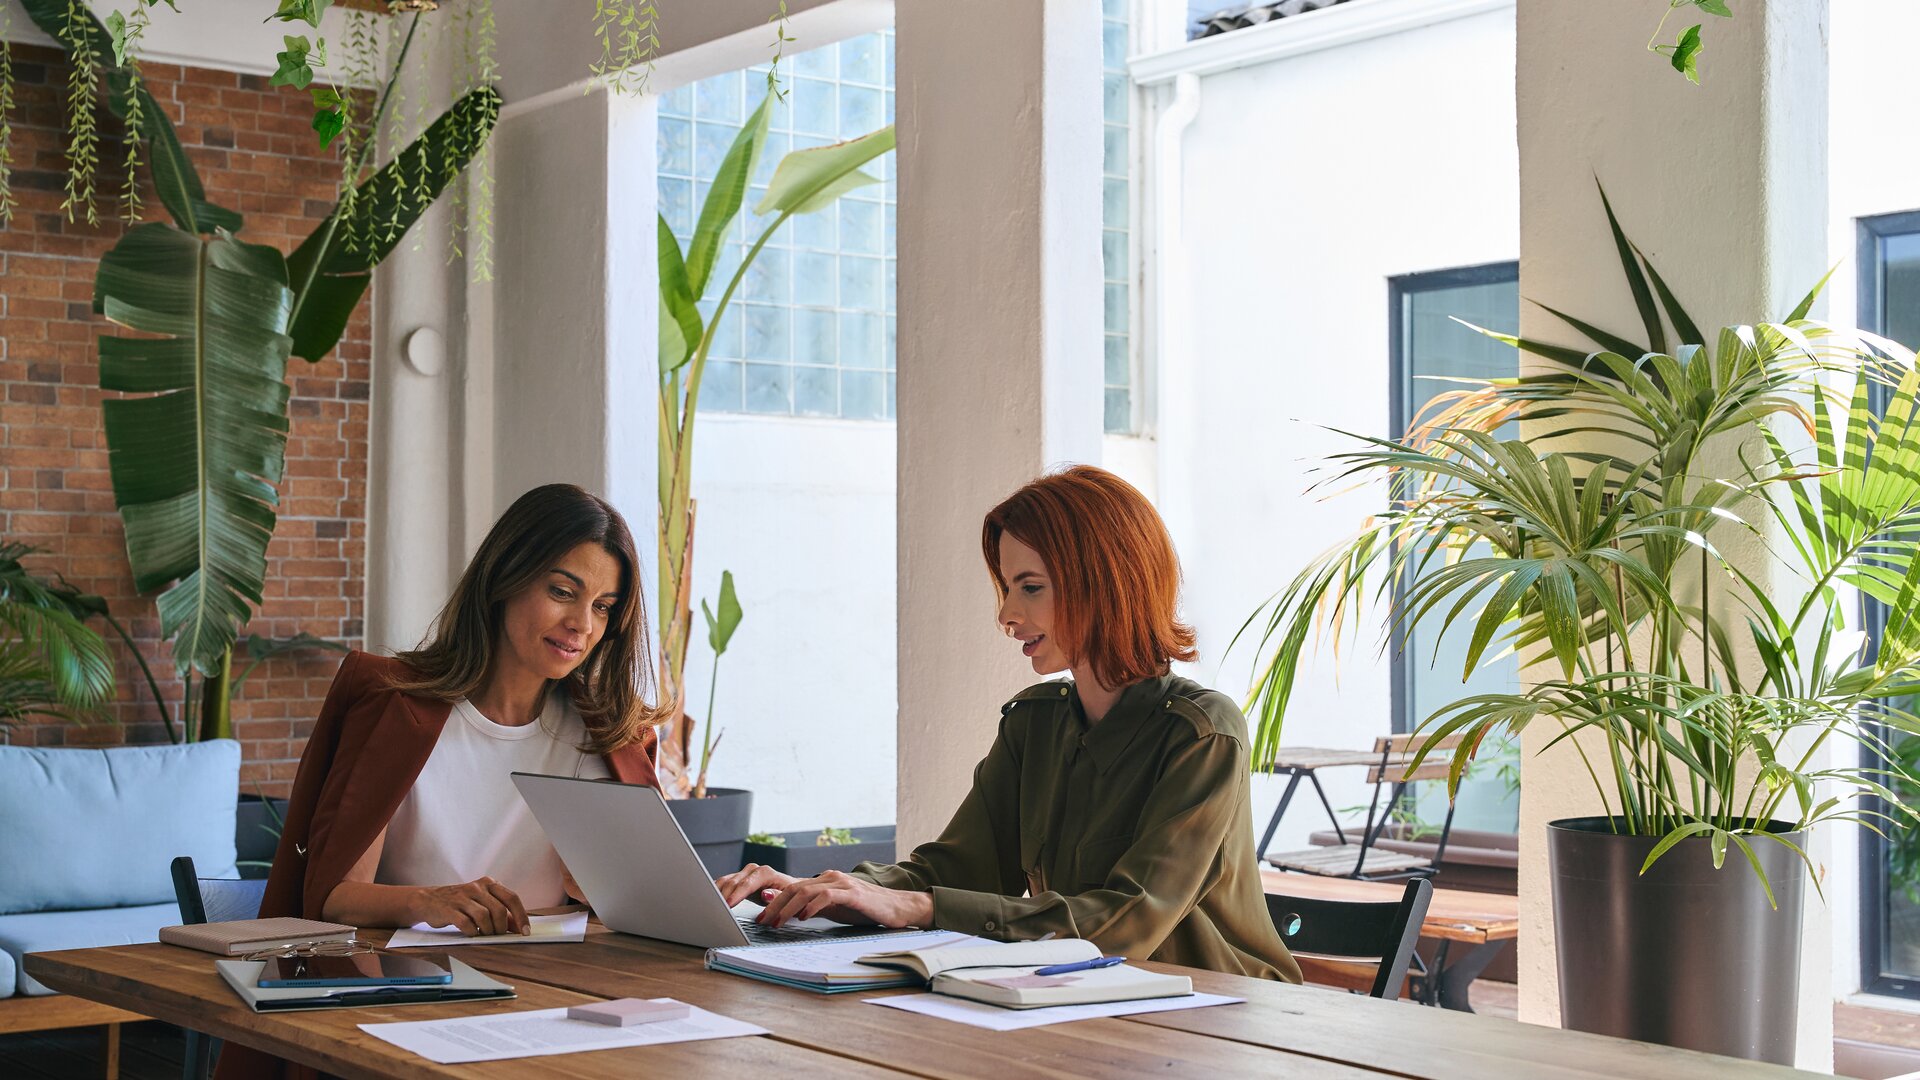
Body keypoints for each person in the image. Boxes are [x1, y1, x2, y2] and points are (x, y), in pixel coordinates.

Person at [717, 466, 1300, 982]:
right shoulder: (1035, 723)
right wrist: (828, 889)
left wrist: (920, 908)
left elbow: (1128, 918)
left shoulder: (1201, 734)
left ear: (1103, 582)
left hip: (1218, 1014)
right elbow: (955, 868)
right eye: (1007, 587)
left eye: (1030, 588)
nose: (1006, 614)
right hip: (1081, 1000)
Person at [219, 485, 666, 1079]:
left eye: (605, 607)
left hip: (564, 1003)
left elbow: (640, 907)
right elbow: (332, 896)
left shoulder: (610, 736)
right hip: (411, 999)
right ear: (505, 577)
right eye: (563, 592)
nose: (581, 625)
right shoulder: (396, 706)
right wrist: (430, 901)